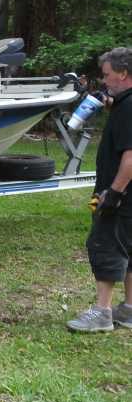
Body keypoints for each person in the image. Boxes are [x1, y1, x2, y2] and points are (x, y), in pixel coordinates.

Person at [68, 47, 132, 332]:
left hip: (121, 194)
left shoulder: (129, 107)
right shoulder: (125, 103)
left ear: (123, 73)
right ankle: (129, 310)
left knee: (104, 244)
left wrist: (114, 193)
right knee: (130, 248)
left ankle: (103, 312)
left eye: (107, 75)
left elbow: (131, 156)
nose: (104, 81)